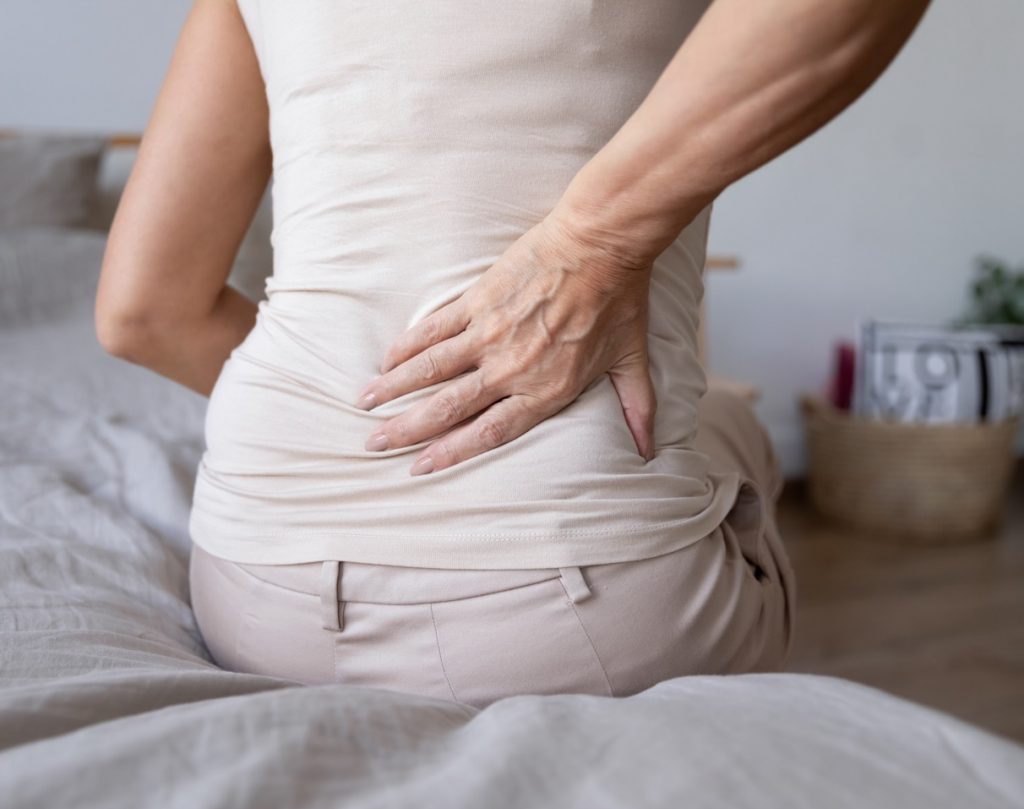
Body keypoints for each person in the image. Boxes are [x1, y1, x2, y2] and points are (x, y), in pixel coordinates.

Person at [96, 0, 930, 708]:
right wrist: (593, 242)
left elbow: (145, 314)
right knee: (736, 427)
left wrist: (377, 421)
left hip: (252, 586)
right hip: (576, 608)